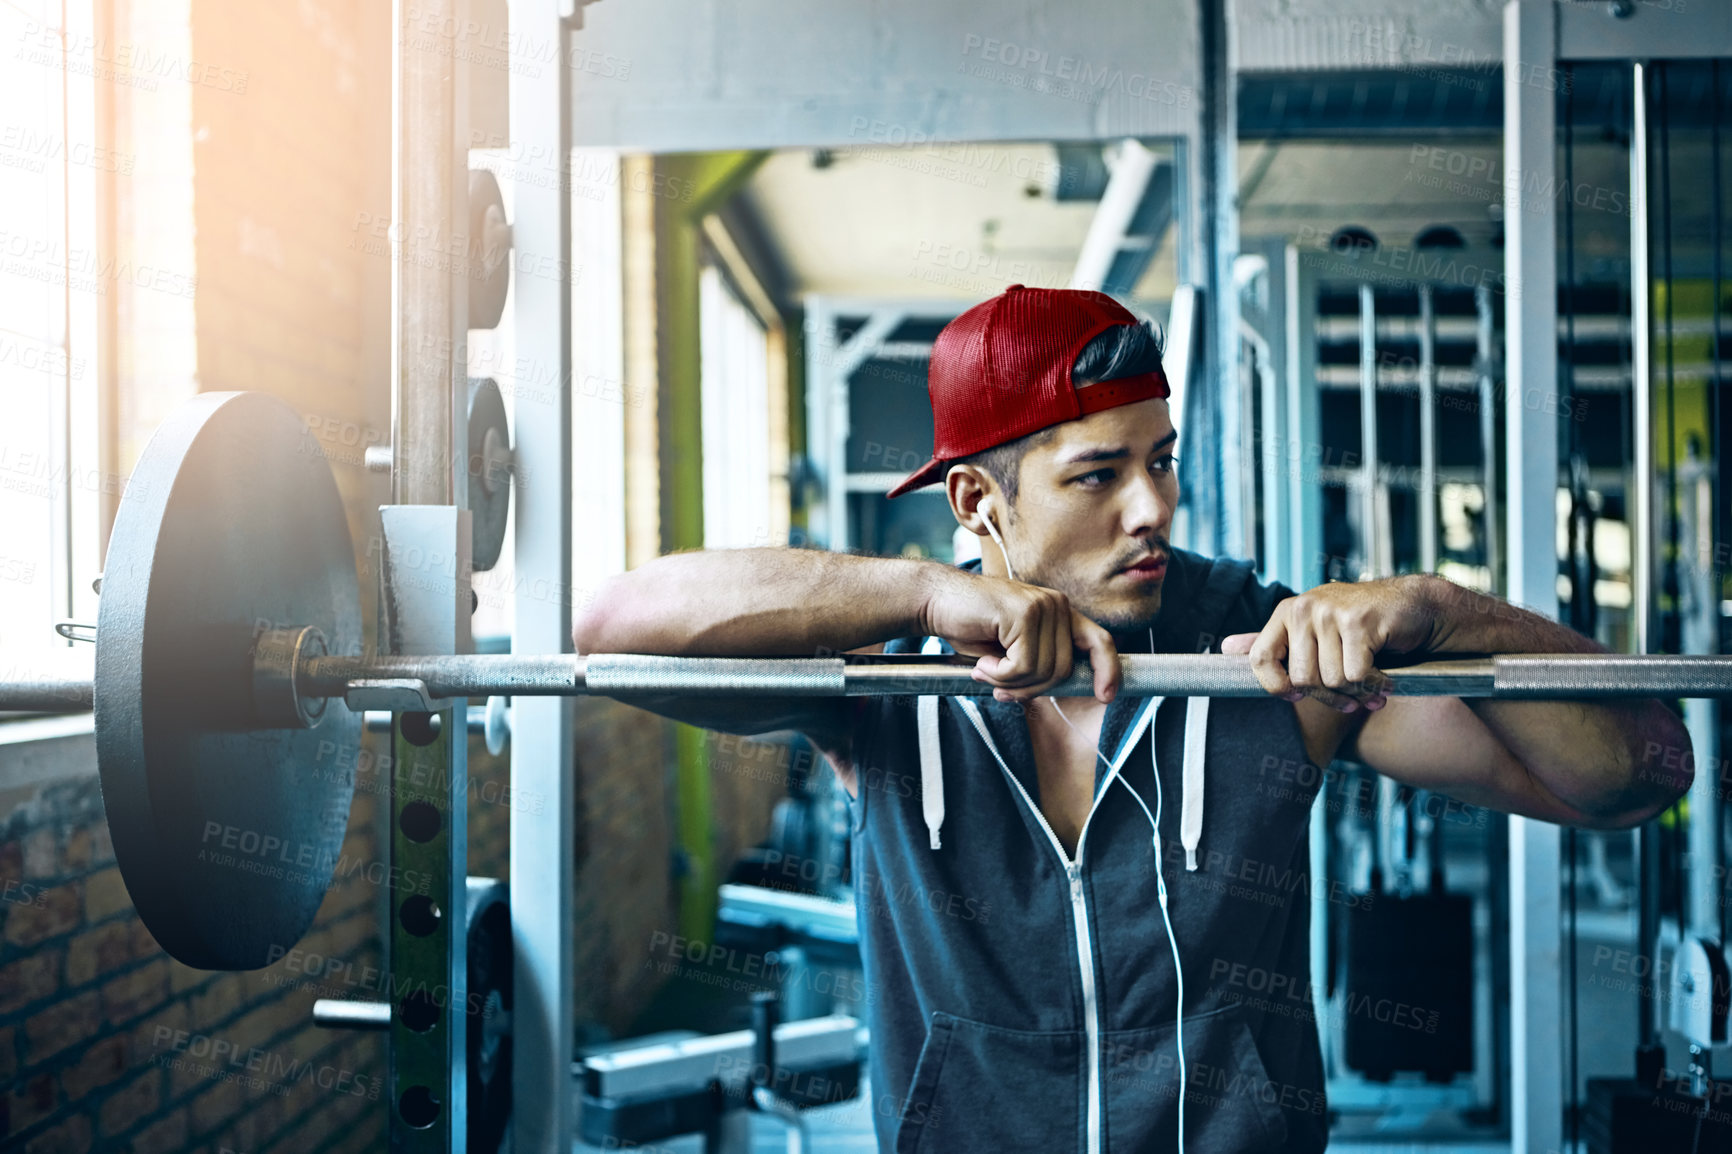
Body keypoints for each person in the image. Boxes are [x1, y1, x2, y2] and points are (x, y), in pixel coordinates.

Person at [574, 285, 1692, 1153]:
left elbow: (1634, 772)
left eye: (1159, 461)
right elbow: (607, 630)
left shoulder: (1265, 656)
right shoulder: (888, 681)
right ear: (978, 501)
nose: (1152, 504)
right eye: (1097, 474)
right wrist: (922, 592)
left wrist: (1442, 610)